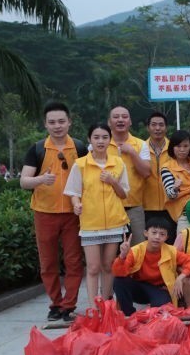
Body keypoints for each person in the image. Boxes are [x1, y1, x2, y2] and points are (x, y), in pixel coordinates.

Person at [20, 102, 87, 321]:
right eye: (52, 122)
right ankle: (55, 303)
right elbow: (24, 181)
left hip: (73, 213)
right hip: (44, 212)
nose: (57, 126)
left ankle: (69, 305)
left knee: (74, 261)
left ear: (69, 122)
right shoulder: (37, 149)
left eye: (61, 121)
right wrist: (42, 179)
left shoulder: (79, 148)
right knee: (48, 262)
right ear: (45, 124)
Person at [63, 123, 130, 305]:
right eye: (96, 137)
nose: (101, 141)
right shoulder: (81, 164)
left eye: (105, 137)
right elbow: (73, 192)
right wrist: (76, 205)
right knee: (93, 267)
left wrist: (112, 181)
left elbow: (124, 193)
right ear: (89, 139)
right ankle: (94, 307)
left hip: (115, 222)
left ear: (110, 140)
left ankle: (106, 304)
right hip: (91, 224)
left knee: (109, 266)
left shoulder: (118, 163)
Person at [112, 216, 190, 316]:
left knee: (162, 311)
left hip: (159, 289)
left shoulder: (171, 251)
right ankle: (129, 315)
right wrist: (122, 256)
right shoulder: (136, 250)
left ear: (167, 237)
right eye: (154, 233)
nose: (157, 237)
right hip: (139, 287)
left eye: (162, 234)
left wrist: (180, 277)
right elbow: (118, 273)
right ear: (146, 233)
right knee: (119, 281)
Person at [107, 106, 151, 245]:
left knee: (138, 249)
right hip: (107, 207)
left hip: (134, 207)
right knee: (110, 252)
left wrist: (132, 152)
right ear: (109, 122)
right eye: (116, 117)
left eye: (124, 117)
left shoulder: (141, 144)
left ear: (130, 121)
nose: (120, 120)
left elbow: (146, 173)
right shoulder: (100, 144)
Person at [160, 130, 190, 234]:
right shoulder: (167, 168)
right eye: (178, 146)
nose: (182, 149)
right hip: (184, 214)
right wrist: (175, 188)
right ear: (172, 147)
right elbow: (170, 195)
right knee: (183, 244)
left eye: (186, 146)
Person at [142, 111, 174, 242]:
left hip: (171, 206)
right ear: (148, 127)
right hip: (146, 205)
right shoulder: (139, 147)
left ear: (166, 127)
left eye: (161, 125)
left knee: (170, 244)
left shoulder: (174, 148)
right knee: (149, 245)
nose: (157, 128)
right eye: (154, 125)